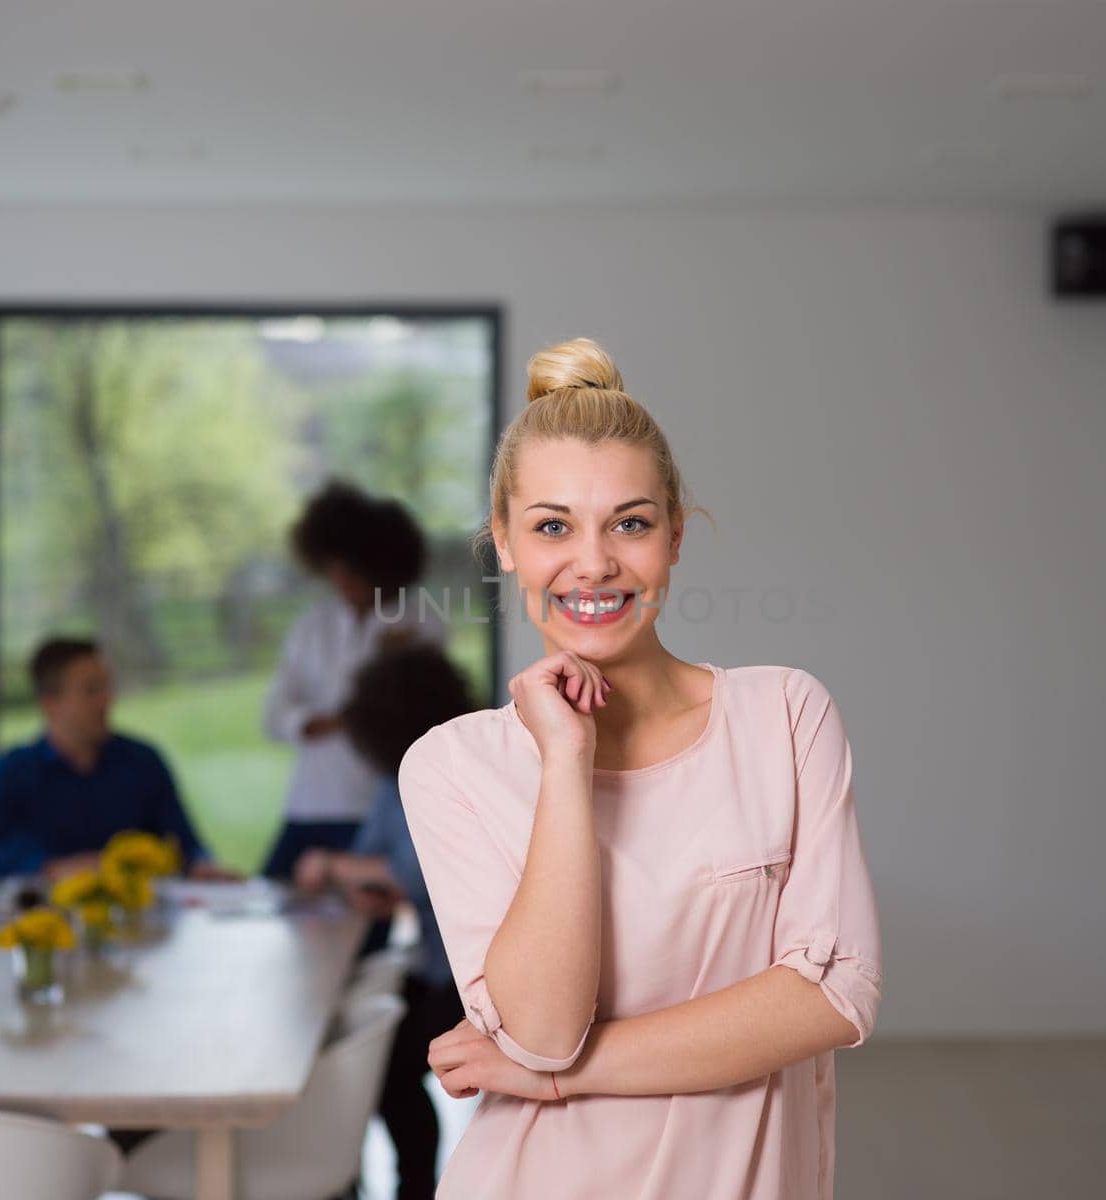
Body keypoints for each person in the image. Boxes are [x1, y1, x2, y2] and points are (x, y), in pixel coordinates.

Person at [398, 339, 884, 1199]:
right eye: (552, 526)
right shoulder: (451, 767)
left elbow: (835, 996)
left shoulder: (783, 716)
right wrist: (565, 761)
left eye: (630, 522)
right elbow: (545, 1029)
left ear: (676, 538)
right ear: (503, 543)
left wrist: (558, 1078)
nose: (593, 563)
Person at [292, 643, 473, 1200]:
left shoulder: (457, 771)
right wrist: (364, 880)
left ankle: (411, 1187)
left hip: (472, 975)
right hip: (432, 962)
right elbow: (382, 865)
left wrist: (335, 865)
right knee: (379, 1062)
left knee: (390, 1069)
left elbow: (419, 875)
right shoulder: (391, 779)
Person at [260, 482, 445, 887]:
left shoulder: (419, 623)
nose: (341, 579)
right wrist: (329, 721)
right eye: (334, 568)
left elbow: (421, 713)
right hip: (310, 802)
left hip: (376, 802)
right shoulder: (313, 626)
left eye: (351, 569)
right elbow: (274, 716)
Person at [0, 637, 237, 881]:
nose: (106, 700)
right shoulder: (11, 772)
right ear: (50, 703)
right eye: (91, 690)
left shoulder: (143, 762)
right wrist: (51, 867)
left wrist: (202, 866)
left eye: (107, 688)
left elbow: (186, 846)